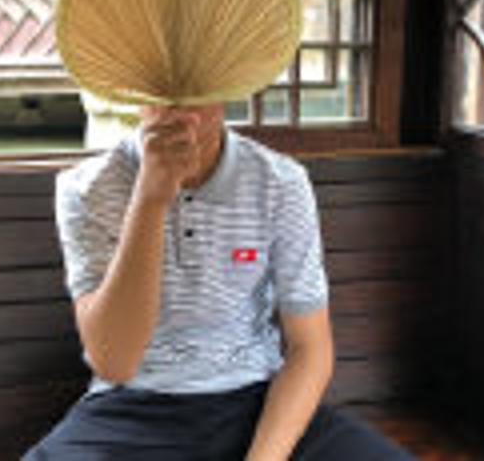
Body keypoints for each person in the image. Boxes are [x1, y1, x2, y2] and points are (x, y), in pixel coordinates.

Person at [22, 103, 414, 461]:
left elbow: (310, 348)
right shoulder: (86, 187)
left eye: (198, 90)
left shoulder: (280, 181)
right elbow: (115, 362)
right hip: (131, 406)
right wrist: (150, 200)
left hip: (255, 399)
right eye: (163, 91)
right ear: (136, 93)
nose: (182, 110)